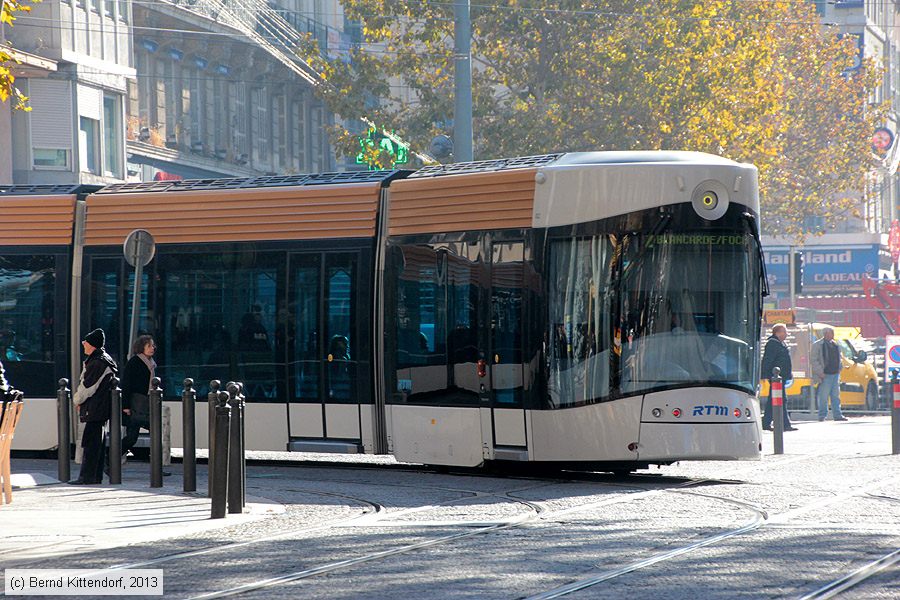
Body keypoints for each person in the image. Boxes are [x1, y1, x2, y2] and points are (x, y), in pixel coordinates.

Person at [70, 328, 118, 485]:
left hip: (95, 407)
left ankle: (86, 477)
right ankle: (95, 476)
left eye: (87, 342)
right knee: (97, 441)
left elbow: (87, 387)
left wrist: (77, 400)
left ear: (93, 345)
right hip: (100, 407)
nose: (84, 344)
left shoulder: (97, 362)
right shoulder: (103, 359)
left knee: (91, 442)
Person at [120, 334, 156, 459]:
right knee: (131, 438)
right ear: (142, 347)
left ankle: (157, 467)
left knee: (155, 434)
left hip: (146, 404)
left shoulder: (151, 363)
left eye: (153, 345)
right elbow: (127, 384)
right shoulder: (135, 362)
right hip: (136, 405)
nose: (152, 348)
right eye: (149, 346)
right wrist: (125, 406)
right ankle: (110, 459)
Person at [759, 323, 797, 431]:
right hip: (775, 377)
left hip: (781, 377)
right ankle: (785, 424)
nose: (786, 334)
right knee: (780, 399)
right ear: (777, 333)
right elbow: (768, 360)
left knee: (774, 400)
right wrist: (765, 374)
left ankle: (766, 422)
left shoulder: (781, 344)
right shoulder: (773, 344)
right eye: (784, 331)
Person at [811, 326, 848, 422]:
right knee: (823, 396)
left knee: (836, 396)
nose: (832, 335)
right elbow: (814, 360)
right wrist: (820, 372)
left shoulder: (835, 344)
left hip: (835, 374)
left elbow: (839, 357)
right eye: (830, 333)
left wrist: (840, 368)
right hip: (825, 374)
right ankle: (822, 416)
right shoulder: (818, 345)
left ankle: (838, 415)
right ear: (825, 334)